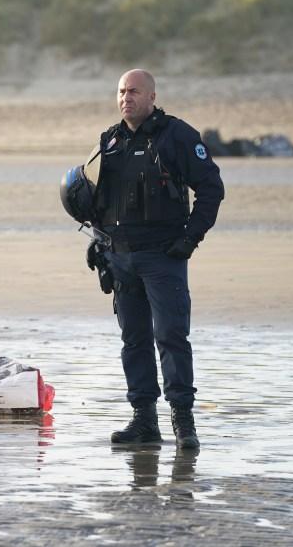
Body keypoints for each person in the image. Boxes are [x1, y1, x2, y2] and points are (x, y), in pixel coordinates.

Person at [93, 69, 224, 449]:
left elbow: (211, 189)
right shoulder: (110, 140)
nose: (126, 98)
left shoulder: (177, 135)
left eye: (134, 91)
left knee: (171, 336)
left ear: (152, 96)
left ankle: (183, 422)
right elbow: (99, 199)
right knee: (133, 341)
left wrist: (190, 237)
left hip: (163, 256)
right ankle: (144, 421)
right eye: (122, 91)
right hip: (121, 257)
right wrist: (99, 243)